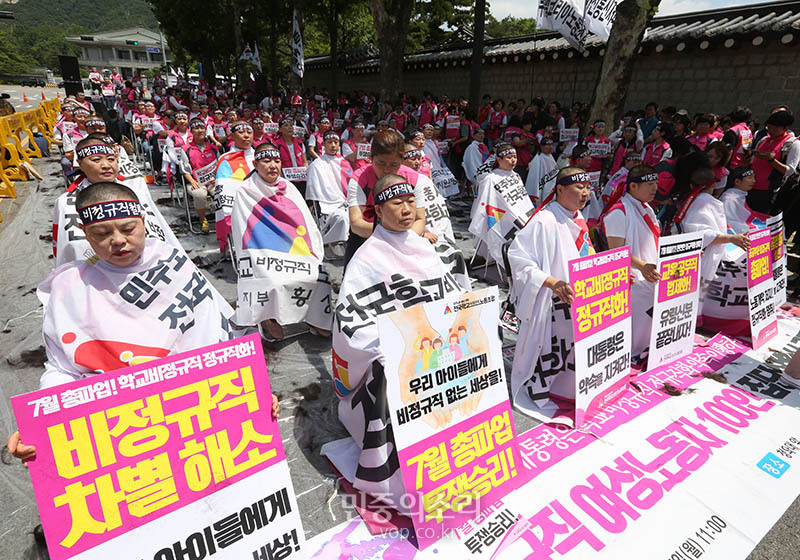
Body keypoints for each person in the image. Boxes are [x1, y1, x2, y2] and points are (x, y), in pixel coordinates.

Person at [8, 181, 278, 464]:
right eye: (101, 233)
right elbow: (62, 369)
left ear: (143, 222)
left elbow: (221, 333)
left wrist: (254, 391)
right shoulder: (69, 287)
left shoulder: (172, 261)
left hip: (201, 413)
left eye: (127, 229)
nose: (118, 240)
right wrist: (41, 426)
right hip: (125, 430)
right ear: (86, 235)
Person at [328, 173, 463, 514]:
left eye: (410, 202)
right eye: (396, 203)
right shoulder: (367, 257)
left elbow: (452, 296)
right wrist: (397, 346)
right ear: (377, 210)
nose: (406, 209)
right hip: (395, 357)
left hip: (437, 347)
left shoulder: (423, 247)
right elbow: (352, 325)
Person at [508, 168, 594, 420]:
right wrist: (551, 281)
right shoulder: (544, 220)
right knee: (554, 351)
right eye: (579, 188)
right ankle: (540, 390)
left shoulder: (577, 217)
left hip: (578, 297)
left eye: (588, 188)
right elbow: (518, 258)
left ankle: (569, 389)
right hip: (553, 300)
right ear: (559, 190)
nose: (585, 193)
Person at [230, 143, 333, 340]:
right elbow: (242, 230)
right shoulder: (245, 190)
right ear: (255, 164)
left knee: (320, 276)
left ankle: (313, 317)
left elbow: (305, 223)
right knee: (273, 280)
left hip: (294, 248)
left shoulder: (290, 188)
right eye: (266, 161)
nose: (273, 166)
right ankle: (269, 318)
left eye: (277, 161)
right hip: (261, 251)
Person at [54, 137, 183, 267]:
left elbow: (159, 231)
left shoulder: (133, 191)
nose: (106, 165)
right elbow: (69, 248)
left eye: (111, 159)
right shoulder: (66, 202)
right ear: (80, 164)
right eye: (96, 160)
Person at [602, 166, 661, 361]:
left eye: (656, 184)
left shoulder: (646, 207)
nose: (655, 188)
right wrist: (642, 266)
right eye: (650, 184)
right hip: (632, 278)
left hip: (649, 272)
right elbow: (616, 252)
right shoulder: (619, 212)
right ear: (633, 186)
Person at [345, 130, 428, 266]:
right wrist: (389, 235)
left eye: (394, 165)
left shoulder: (413, 178)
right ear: (371, 157)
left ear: (402, 160)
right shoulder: (359, 179)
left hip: (404, 240)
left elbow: (420, 219)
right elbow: (356, 224)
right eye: (381, 164)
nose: (386, 170)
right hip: (365, 240)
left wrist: (398, 238)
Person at [469, 143, 534, 270]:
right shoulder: (490, 179)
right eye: (509, 157)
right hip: (501, 217)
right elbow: (486, 203)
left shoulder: (516, 175)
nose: (513, 160)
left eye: (515, 156)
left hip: (521, 215)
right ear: (499, 160)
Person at [306, 131, 352, 256]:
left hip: (346, 200)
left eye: (336, 142)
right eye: (329, 142)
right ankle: (333, 241)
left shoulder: (345, 162)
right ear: (323, 145)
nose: (333, 145)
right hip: (327, 202)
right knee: (341, 218)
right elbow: (314, 189)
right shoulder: (316, 164)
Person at [213, 120, 255, 251]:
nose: (246, 136)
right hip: (238, 204)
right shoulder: (225, 159)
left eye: (249, 132)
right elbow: (224, 191)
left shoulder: (261, 156)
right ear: (232, 136)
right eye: (241, 132)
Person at [750, 110, 800, 214]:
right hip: (750, 186)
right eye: (769, 127)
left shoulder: (792, 144)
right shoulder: (764, 140)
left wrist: (771, 160)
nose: (771, 130)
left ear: (786, 128)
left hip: (769, 191)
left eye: (775, 128)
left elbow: (789, 171)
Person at [183, 118, 220, 232]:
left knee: (223, 191)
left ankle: (222, 218)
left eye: (202, 128)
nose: (199, 131)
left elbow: (220, 165)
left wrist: (217, 177)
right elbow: (184, 170)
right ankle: (203, 218)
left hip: (213, 180)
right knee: (199, 194)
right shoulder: (186, 149)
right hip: (196, 181)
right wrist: (192, 181)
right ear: (191, 131)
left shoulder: (214, 148)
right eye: (196, 128)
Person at [720, 167, 767, 234]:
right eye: (750, 178)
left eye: (753, 177)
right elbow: (729, 221)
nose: (754, 181)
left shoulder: (739, 194)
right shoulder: (729, 199)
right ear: (737, 182)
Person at [524, 137, 557, 204]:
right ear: (541, 147)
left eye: (551, 145)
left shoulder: (550, 156)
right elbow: (533, 176)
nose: (550, 147)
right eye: (547, 145)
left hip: (551, 185)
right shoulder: (539, 158)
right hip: (542, 186)